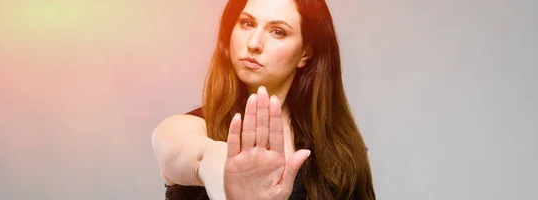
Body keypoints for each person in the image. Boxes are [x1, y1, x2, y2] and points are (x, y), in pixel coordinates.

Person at [151, 0, 375, 199]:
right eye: (247, 23)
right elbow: (182, 150)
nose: (254, 43)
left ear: (305, 53)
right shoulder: (184, 129)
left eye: (277, 31)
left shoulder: (341, 155)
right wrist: (216, 163)